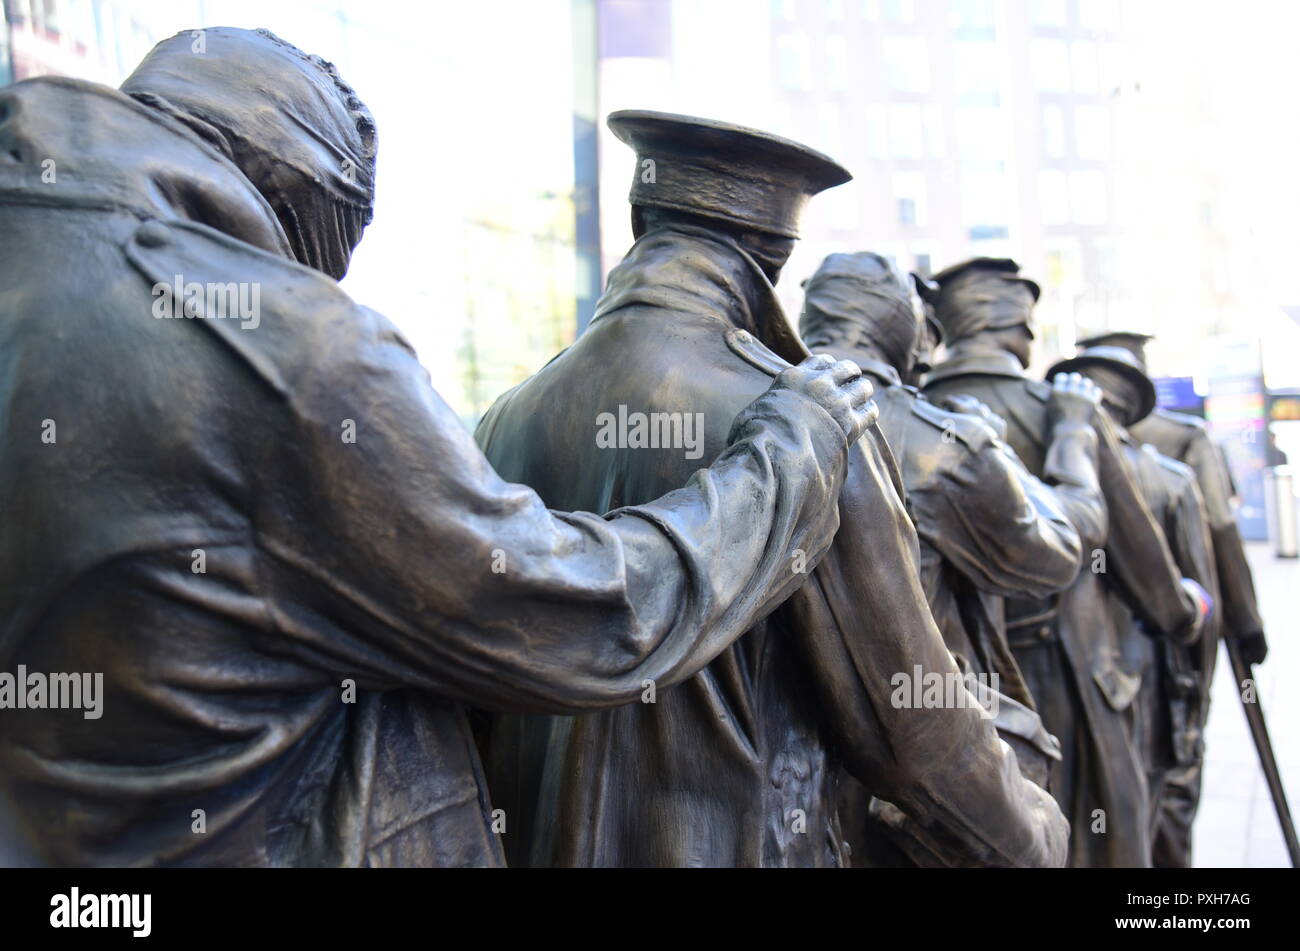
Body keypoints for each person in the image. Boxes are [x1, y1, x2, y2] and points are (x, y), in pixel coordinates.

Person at [0, 29, 878, 866]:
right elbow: (585, 617)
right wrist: (789, 456)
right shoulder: (287, 350)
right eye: (316, 261)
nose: (315, 286)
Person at [475, 113, 1069, 868]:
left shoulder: (507, 416)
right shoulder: (813, 419)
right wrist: (1032, 833)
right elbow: (913, 730)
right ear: (776, 257)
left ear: (638, 219)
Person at [798, 252, 1107, 864]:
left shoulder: (748, 411)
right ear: (902, 328)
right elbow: (1065, 546)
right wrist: (1069, 435)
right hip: (924, 791)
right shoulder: (944, 442)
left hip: (794, 791)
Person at [922, 258, 1205, 866]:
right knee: (1103, 848)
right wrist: (1185, 614)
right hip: (1077, 688)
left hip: (955, 691)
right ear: (1019, 328)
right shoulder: (1065, 409)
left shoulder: (906, 409)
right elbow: (1142, 565)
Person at [1075, 330, 1265, 865]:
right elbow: (1219, 541)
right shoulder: (1181, 448)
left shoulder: (1048, 448)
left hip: (1082, 673)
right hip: (1154, 663)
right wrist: (1245, 626)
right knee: (1168, 803)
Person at [1046, 345, 1218, 855]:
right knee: (1148, 829)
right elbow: (1192, 617)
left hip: (1058, 685)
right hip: (1144, 685)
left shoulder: (1042, 459)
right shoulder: (1170, 479)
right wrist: (1195, 707)